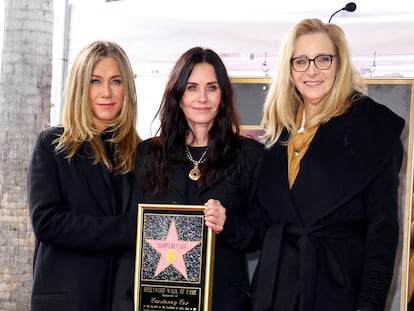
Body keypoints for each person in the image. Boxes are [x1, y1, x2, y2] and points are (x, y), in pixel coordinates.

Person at [251, 18, 405, 311]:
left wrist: (369, 303)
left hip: (336, 290)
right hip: (276, 291)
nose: (312, 70)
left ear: (339, 63)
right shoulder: (277, 130)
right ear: (289, 68)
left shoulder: (375, 129)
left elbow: (382, 232)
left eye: (323, 59)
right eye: (301, 61)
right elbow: (263, 223)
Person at [121, 47, 263, 311]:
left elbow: (261, 234)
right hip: (160, 302)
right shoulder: (148, 153)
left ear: (223, 95)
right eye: (192, 88)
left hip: (224, 301)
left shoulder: (249, 155)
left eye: (211, 88)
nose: (202, 98)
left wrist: (228, 224)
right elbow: (134, 233)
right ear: (178, 94)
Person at [27, 40, 140, 311]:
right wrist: (129, 229)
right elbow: (47, 222)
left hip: (123, 300)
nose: (107, 93)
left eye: (115, 81)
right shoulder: (53, 144)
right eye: (95, 81)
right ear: (80, 87)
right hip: (69, 299)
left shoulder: (141, 152)